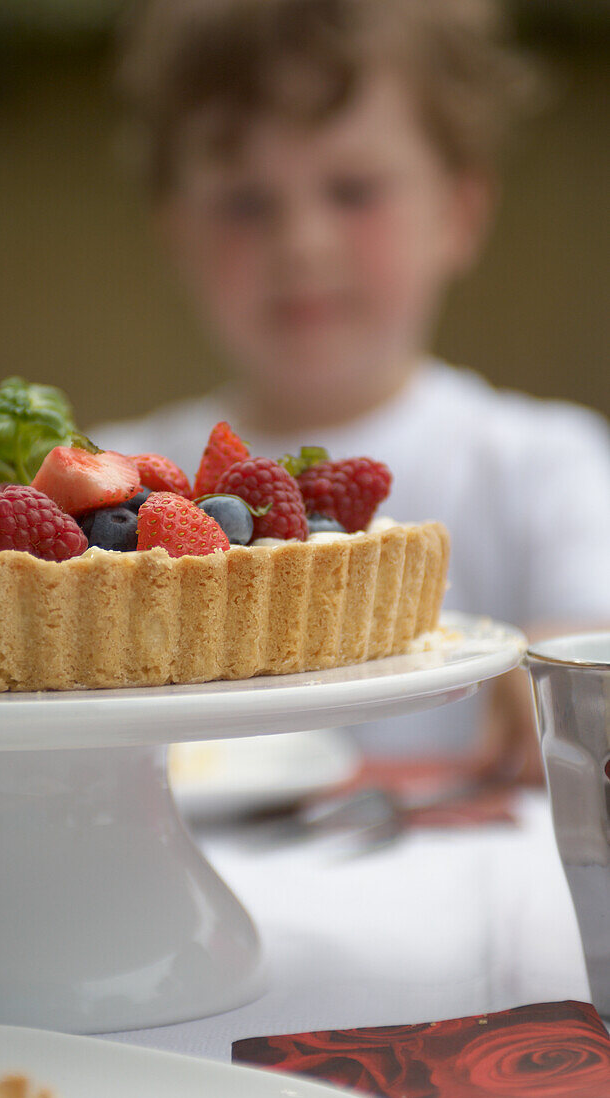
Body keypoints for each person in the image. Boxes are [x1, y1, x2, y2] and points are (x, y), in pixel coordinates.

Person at [93, 0, 610, 782]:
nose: (301, 243)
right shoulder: (111, 489)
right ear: (177, 233)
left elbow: (588, 652)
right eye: (246, 203)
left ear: (458, 212)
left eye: (353, 191)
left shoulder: (542, 465)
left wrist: (558, 681)